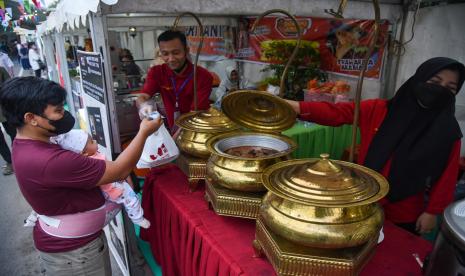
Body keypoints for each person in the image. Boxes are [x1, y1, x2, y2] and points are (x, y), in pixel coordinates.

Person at [0, 77, 162, 275]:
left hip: (73, 249)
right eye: (58, 111)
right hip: (75, 256)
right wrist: (143, 132)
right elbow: (119, 170)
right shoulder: (50, 160)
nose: (64, 115)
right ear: (31, 118)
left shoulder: (29, 142)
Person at [286, 57, 465, 235]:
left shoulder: (447, 131)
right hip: (364, 199)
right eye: (435, 81)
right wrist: (297, 107)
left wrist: (432, 212)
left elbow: (447, 176)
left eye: (450, 88)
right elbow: (337, 112)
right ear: (418, 80)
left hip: (405, 211)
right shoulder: (379, 109)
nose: (440, 90)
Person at [48, 129, 150, 228]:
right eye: (92, 142)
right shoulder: (91, 162)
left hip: (113, 182)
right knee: (132, 199)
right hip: (113, 188)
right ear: (84, 153)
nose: (95, 141)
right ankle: (138, 218)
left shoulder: (92, 156)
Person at [137, 30, 213, 133]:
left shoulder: (203, 76)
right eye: (165, 54)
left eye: (176, 53)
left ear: (186, 50)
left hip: (198, 129)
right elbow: (143, 96)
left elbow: (195, 114)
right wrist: (143, 106)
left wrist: (174, 139)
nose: (171, 59)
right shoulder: (157, 72)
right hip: (173, 128)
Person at [0, 66, 15, 175]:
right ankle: (10, 161)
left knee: (14, 133)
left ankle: (18, 158)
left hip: (4, 110)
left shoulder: (0, 70)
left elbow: (11, 87)